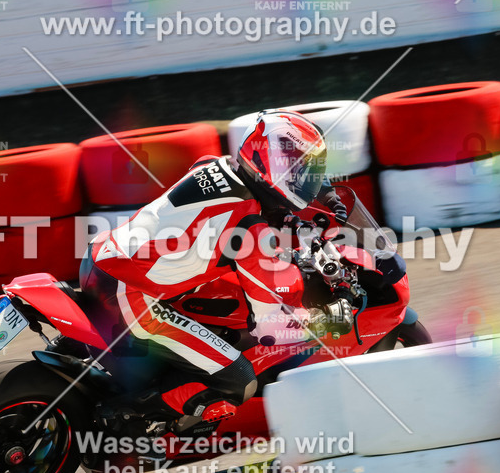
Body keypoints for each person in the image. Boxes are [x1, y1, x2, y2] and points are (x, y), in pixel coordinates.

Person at [79, 110, 355, 430]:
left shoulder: (217, 164)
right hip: (129, 295)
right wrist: (324, 319)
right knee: (237, 379)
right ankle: (121, 416)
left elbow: (224, 216)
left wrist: (325, 192)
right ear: (274, 163)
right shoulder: (251, 233)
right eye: (302, 170)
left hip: (101, 255)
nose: (307, 178)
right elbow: (271, 326)